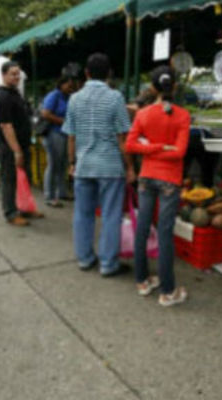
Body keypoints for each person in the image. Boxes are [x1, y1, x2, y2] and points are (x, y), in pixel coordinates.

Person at [62, 53, 134, 277]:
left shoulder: (74, 99)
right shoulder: (115, 98)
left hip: (83, 165)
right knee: (111, 214)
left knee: (82, 214)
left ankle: (84, 259)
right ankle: (108, 264)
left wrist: (72, 162)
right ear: (109, 73)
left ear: (86, 73)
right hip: (110, 166)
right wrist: (130, 167)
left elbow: (71, 136)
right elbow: (123, 137)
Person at [125, 66, 190, 306]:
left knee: (142, 228)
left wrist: (151, 147)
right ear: (174, 86)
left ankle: (142, 281)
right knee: (164, 233)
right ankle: (168, 291)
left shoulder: (143, 114)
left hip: (146, 176)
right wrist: (164, 147)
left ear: (153, 87)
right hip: (170, 181)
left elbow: (131, 145)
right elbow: (179, 152)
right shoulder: (182, 115)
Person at [0, 61, 43, 226]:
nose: (16, 77)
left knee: (25, 177)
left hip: (22, 143)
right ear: (4, 75)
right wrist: (16, 151)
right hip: (9, 145)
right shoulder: (2, 96)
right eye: (12, 74)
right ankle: (11, 212)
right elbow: (6, 126)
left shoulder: (15, 93)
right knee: (10, 179)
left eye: (18, 73)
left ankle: (25, 207)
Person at [41, 75, 75, 207]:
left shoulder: (68, 97)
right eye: (69, 85)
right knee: (53, 164)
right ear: (61, 84)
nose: (71, 87)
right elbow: (45, 113)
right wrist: (63, 122)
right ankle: (49, 195)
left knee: (62, 164)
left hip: (64, 134)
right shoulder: (54, 96)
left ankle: (62, 192)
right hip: (53, 133)